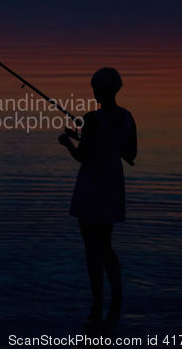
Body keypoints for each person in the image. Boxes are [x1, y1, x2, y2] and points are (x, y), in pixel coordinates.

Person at [58, 67, 137, 333]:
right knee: (106, 245)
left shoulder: (92, 117)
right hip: (113, 184)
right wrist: (82, 137)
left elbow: (82, 156)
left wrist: (67, 143)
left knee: (91, 249)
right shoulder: (128, 118)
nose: (92, 92)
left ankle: (97, 303)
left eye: (94, 88)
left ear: (99, 91)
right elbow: (130, 151)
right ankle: (117, 298)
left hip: (92, 185)